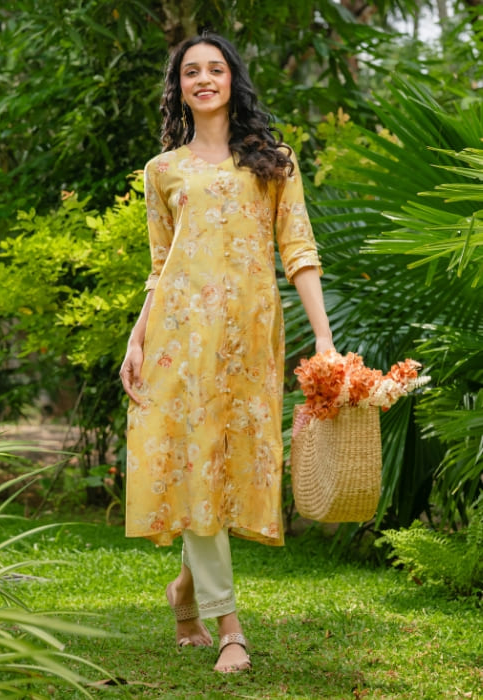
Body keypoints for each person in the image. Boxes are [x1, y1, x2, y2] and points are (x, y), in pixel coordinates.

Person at [119, 32, 334, 674]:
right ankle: (229, 627)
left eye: (215, 68)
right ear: (179, 88)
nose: (204, 79)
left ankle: (185, 591)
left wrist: (324, 339)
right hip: (179, 340)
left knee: (223, 465)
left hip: (249, 339)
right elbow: (160, 266)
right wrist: (137, 337)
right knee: (195, 461)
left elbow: (299, 250)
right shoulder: (163, 170)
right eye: (192, 72)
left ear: (232, 79)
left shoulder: (274, 162)